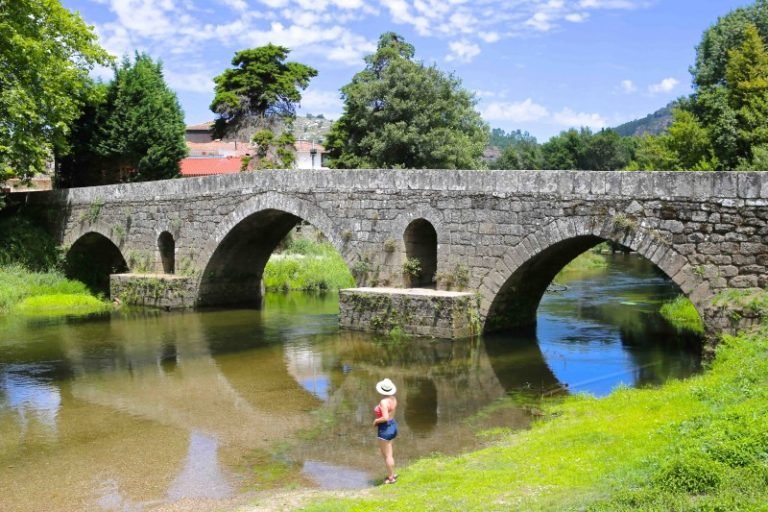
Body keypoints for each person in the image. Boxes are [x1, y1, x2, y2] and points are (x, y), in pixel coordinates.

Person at [373, 378, 399, 484]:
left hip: (385, 428)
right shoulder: (393, 398)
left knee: (387, 455)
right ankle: (392, 473)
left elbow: (385, 417)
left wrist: (375, 421)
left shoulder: (383, 402)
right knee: (389, 453)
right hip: (393, 426)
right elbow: (390, 415)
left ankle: (391, 478)